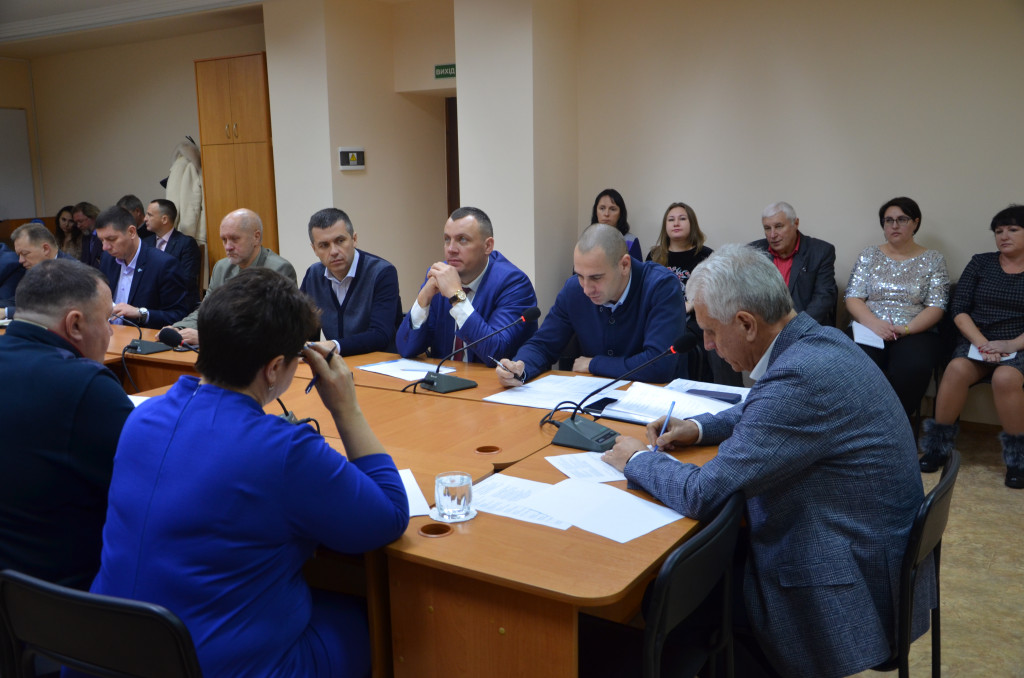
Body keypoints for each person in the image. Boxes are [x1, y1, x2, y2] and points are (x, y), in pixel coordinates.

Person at [602, 244, 933, 678]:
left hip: (847, 582)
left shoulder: (801, 377)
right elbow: (762, 404)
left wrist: (636, 459)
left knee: (663, 596)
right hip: (869, 547)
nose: (708, 345)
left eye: (711, 332)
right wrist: (698, 428)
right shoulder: (817, 340)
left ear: (746, 323)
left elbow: (702, 492)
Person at [90, 268, 409, 677]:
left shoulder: (142, 417)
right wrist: (345, 406)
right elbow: (388, 517)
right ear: (274, 368)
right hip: (215, 666)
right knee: (379, 621)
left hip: (106, 654)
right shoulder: (284, 451)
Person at [0, 259, 133, 589]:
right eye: (107, 320)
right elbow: (150, 486)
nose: (110, 332)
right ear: (75, 324)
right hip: (65, 597)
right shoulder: (85, 386)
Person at [497, 223, 684, 385]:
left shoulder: (661, 287)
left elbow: (659, 365)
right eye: (580, 275)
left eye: (596, 278)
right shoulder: (574, 290)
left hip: (655, 402)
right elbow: (542, 345)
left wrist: (594, 364)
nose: (586, 289)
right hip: (592, 398)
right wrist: (520, 367)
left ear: (624, 265)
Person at [919, 204, 1024, 488]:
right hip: (977, 341)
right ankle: (937, 447)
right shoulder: (981, 263)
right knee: (955, 369)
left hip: (1018, 346)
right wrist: (983, 343)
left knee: (1005, 378)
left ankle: (1018, 459)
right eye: (999, 231)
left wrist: (1011, 344)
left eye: (1013, 229)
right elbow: (959, 308)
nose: (1004, 236)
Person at [845, 197, 949, 421]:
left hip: (915, 331)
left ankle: (893, 423)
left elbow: (936, 306)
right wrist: (874, 324)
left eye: (902, 219)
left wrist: (906, 329)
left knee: (913, 367)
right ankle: (857, 423)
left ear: (915, 223)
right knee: (852, 361)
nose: (894, 225)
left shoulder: (933, 259)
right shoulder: (869, 255)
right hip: (869, 327)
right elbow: (853, 297)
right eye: (888, 220)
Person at [396, 206, 537, 363]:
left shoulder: (513, 283)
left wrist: (456, 296)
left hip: (491, 378)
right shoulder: (439, 276)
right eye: (447, 239)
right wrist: (423, 299)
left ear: (488, 246)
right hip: (445, 375)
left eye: (462, 239)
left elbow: (495, 353)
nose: (451, 249)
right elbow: (406, 348)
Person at [169, 208, 296, 345]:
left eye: (235, 239)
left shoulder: (278, 269)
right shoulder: (221, 267)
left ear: (256, 237)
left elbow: (268, 328)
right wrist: (178, 329)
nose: (228, 247)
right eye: (224, 240)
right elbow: (206, 311)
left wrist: (209, 337)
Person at [300, 208, 403, 355]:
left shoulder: (382, 272)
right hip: (336, 363)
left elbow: (380, 335)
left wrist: (334, 346)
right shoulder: (313, 275)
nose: (334, 251)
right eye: (324, 245)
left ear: (354, 239)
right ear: (314, 249)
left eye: (340, 241)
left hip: (380, 362)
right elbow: (304, 329)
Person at [95, 205, 189, 329]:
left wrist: (141, 313)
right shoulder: (107, 258)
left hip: (142, 336)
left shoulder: (163, 264)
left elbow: (178, 315)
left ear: (131, 232)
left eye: (111, 239)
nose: (105, 247)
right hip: (109, 333)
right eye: (102, 240)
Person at [750, 201, 837, 326]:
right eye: (767, 228)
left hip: (805, 327)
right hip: (765, 328)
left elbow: (823, 297)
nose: (772, 235)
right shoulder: (753, 252)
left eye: (779, 226)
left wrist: (796, 328)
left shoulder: (820, 251)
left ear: (795, 223)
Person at [1, 222, 74, 319]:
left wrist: (7, 312)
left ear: (45, 249)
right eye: (19, 255)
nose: (20, 260)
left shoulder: (72, 271)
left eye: (25, 254)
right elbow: (21, 300)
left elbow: (55, 309)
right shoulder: (33, 268)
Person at [142, 198, 201, 310]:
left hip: (177, 303)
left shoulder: (186, 243)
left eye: (149, 215)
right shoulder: (145, 243)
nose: (145, 219)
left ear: (164, 219)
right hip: (149, 302)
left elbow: (187, 280)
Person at [591, 188, 641, 260]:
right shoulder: (587, 239)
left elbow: (637, 267)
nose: (606, 214)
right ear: (596, 212)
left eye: (612, 209)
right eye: (602, 208)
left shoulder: (631, 241)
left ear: (620, 213)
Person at [74, 201, 103, 268]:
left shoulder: (104, 235)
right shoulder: (85, 236)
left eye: (80, 221)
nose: (78, 226)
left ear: (93, 217)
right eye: (76, 223)